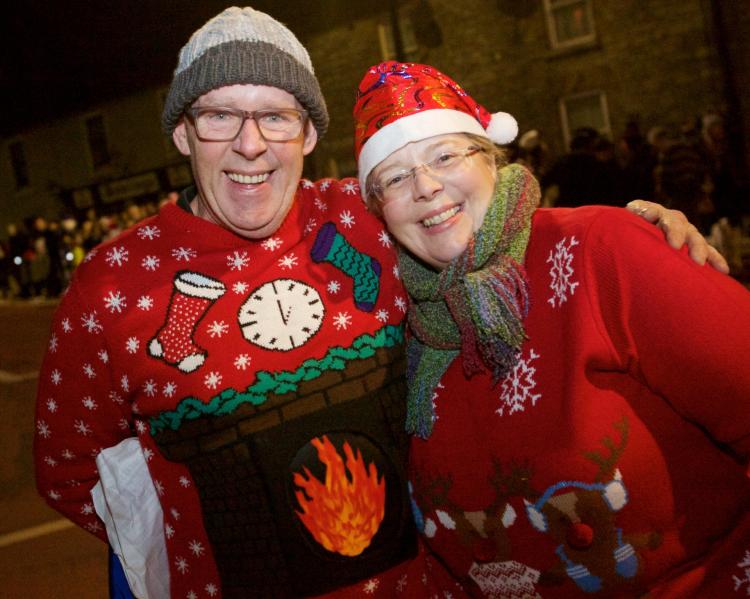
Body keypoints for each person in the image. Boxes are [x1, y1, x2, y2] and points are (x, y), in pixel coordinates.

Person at [33, 7, 727, 598]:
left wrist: (636, 231)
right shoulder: (113, 287)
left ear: (309, 135)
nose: (250, 144)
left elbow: (482, 226)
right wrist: (197, 543)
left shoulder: (362, 219)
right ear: (183, 133)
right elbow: (70, 469)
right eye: (219, 116)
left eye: (276, 116)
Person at [353, 61, 750, 598]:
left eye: (445, 156)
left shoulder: (602, 251)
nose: (425, 186)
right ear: (378, 210)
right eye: (395, 178)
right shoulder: (399, 324)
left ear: (491, 158)